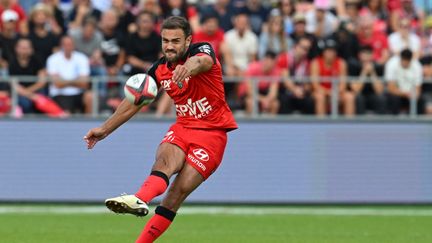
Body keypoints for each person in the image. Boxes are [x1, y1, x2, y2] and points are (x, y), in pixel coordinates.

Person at [83, 16, 237, 243]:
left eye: (175, 41)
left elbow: (203, 62)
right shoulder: (159, 69)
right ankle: (139, 198)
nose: (169, 46)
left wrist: (187, 69)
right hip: (183, 127)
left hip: (212, 135)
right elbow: (134, 102)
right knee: (164, 161)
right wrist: (105, 129)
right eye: (165, 40)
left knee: (176, 193)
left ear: (188, 41)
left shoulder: (202, 50)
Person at [47, 36, 92, 114]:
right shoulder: (53, 59)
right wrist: (77, 80)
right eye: (65, 45)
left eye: (70, 44)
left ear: (74, 45)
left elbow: (84, 83)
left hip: (78, 93)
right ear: (61, 46)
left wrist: (64, 81)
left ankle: (91, 123)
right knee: (66, 113)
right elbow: (57, 84)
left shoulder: (82, 58)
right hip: (60, 94)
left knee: (90, 96)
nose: (68, 47)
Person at [385, 48, 425, 114]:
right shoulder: (391, 64)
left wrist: (415, 95)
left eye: (407, 62)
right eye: (404, 61)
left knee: (420, 100)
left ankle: (415, 122)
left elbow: (418, 88)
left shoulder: (417, 66)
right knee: (394, 99)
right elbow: (391, 88)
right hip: (397, 94)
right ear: (400, 58)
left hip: (411, 94)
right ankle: (394, 121)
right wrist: (405, 94)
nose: (405, 64)